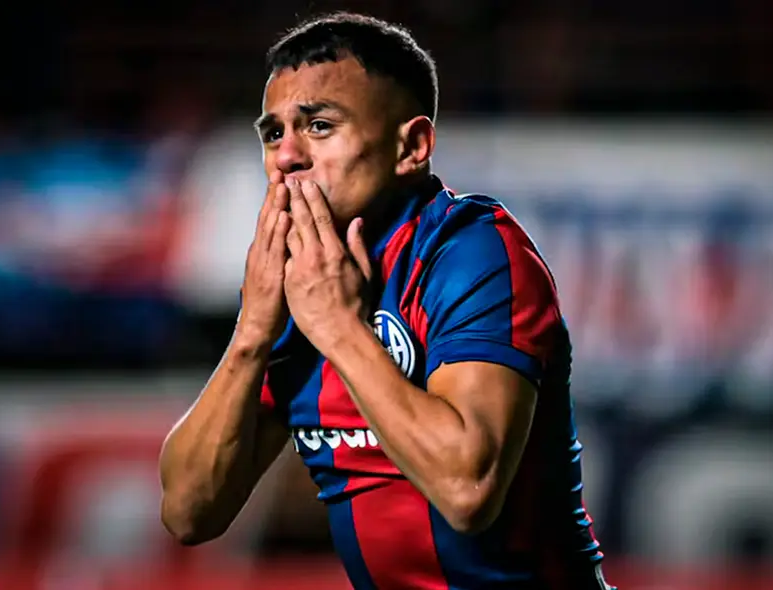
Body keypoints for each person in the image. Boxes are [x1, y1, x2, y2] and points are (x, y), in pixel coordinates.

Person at [159, 12, 612, 589]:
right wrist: (251, 332)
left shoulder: (471, 251)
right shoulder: (298, 286)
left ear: (412, 146)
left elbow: (467, 490)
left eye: (319, 125)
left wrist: (339, 329)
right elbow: (188, 513)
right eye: (273, 133)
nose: (286, 157)